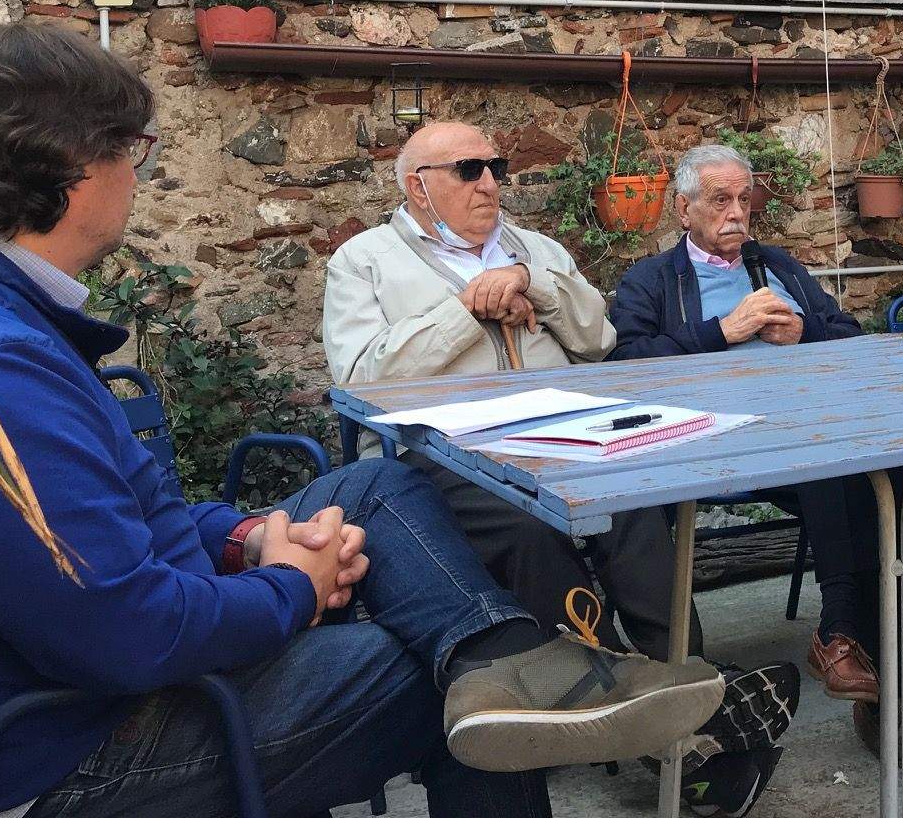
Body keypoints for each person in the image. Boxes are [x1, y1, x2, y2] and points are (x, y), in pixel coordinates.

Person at [0, 24, 724, 818]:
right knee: (435, 678)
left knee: (375, 489)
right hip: (46, 758)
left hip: (62, 686)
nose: (138, 179)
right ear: (71, 163)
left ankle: (501, 657)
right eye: (135, 153)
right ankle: (510, 675)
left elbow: (107, 529)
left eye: (497, 169)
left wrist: (246, 537)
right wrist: (292, 589)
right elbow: (131, 633)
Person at [324, 121, 796, 815]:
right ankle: (648, 720)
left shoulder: (537, 250)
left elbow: (597, 337)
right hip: (440, 452)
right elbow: (362, 376)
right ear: (418, 187)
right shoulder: (362, 261)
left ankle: (692, 682)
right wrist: (467, 307)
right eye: (469, 169)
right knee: (530, 525)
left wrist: (533, 285)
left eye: (495, 166)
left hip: (562, 432)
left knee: (634, 496)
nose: (490, 181)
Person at [610, 142, 903, 771]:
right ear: (684, 210)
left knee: (879, 466)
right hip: (707, 441)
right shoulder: (652, 280)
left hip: (799, 431)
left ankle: (863, 664)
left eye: (745, 198)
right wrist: (720, 333)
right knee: (831, 450)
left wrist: (806, 332)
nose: (737, 212)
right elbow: (626, 368)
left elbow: (850, 338)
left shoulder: (777, 266)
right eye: (719, 199)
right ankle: (850, 646)